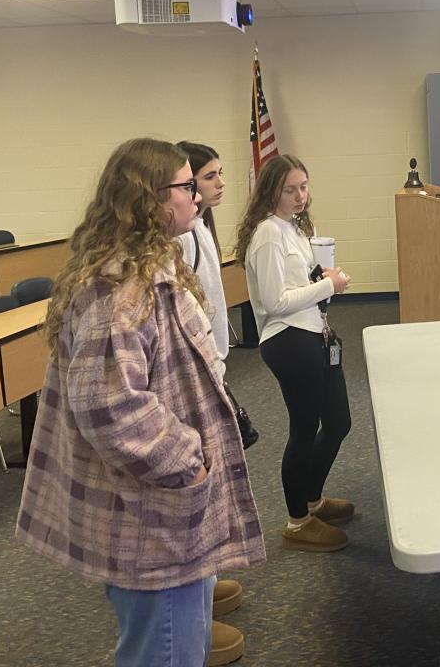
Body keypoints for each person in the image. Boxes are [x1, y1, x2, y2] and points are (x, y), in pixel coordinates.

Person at [16, 138, 265, 667]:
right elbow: (107, 407)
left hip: (161, 508)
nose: (196, 195)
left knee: (180, 643)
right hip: (150, 515)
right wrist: (189, 462)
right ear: (147, 198)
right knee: (167, 651)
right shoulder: (122, 290)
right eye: (185, 185)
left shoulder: (151, 268)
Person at [234, 154, 354, 553]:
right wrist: (328, 286)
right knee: (304, 429)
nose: (300, 195)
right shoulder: (268, 233)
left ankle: (313, 498)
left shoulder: (296, 227)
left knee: (337, 422)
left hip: (314, 333)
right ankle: (297, 520)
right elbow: (275, 301)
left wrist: (323, 279)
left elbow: (300, 284)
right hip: (288, 340)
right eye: (290, 189)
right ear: (271, 191)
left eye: (303, 186)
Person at [175, 141, 248, 660]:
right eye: (207, 177)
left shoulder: (199, 227)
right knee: (196, 489)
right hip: (196, 375)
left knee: (212, 484)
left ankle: (206, 580)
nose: (218, 184)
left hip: (213, 362)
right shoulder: (180, 239)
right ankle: (193, 612)